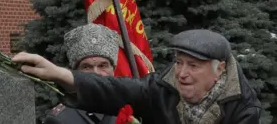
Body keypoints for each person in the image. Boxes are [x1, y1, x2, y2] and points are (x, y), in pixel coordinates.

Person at [14, 29, 261, 124]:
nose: (182, 73)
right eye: (179, 63)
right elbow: (115, 89)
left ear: (219, 70)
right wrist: (60, 74)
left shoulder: (243, 110)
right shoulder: (161, 89)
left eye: (194, 66)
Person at [44, 24, 117, 124]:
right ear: (75, 73)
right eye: (86, 67)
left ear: (114, 70)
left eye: (103, 66)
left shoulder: (131, 107)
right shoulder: (60, 120)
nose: (96, 73)